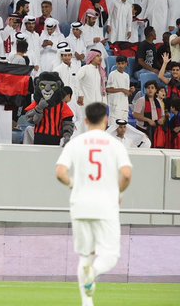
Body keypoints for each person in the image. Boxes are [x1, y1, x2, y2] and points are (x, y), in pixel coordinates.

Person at [55, 102, 133, 306]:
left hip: (80, 204)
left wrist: (74, 184)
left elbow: (60, 172)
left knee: (86, 255)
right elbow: (126, 174)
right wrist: (118, 192)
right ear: (107, 120)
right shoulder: (115, 144)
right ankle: (95, 272)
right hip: (106, 205)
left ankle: (87, 302)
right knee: (110, 255)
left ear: (86, 120)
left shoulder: (75, 143)